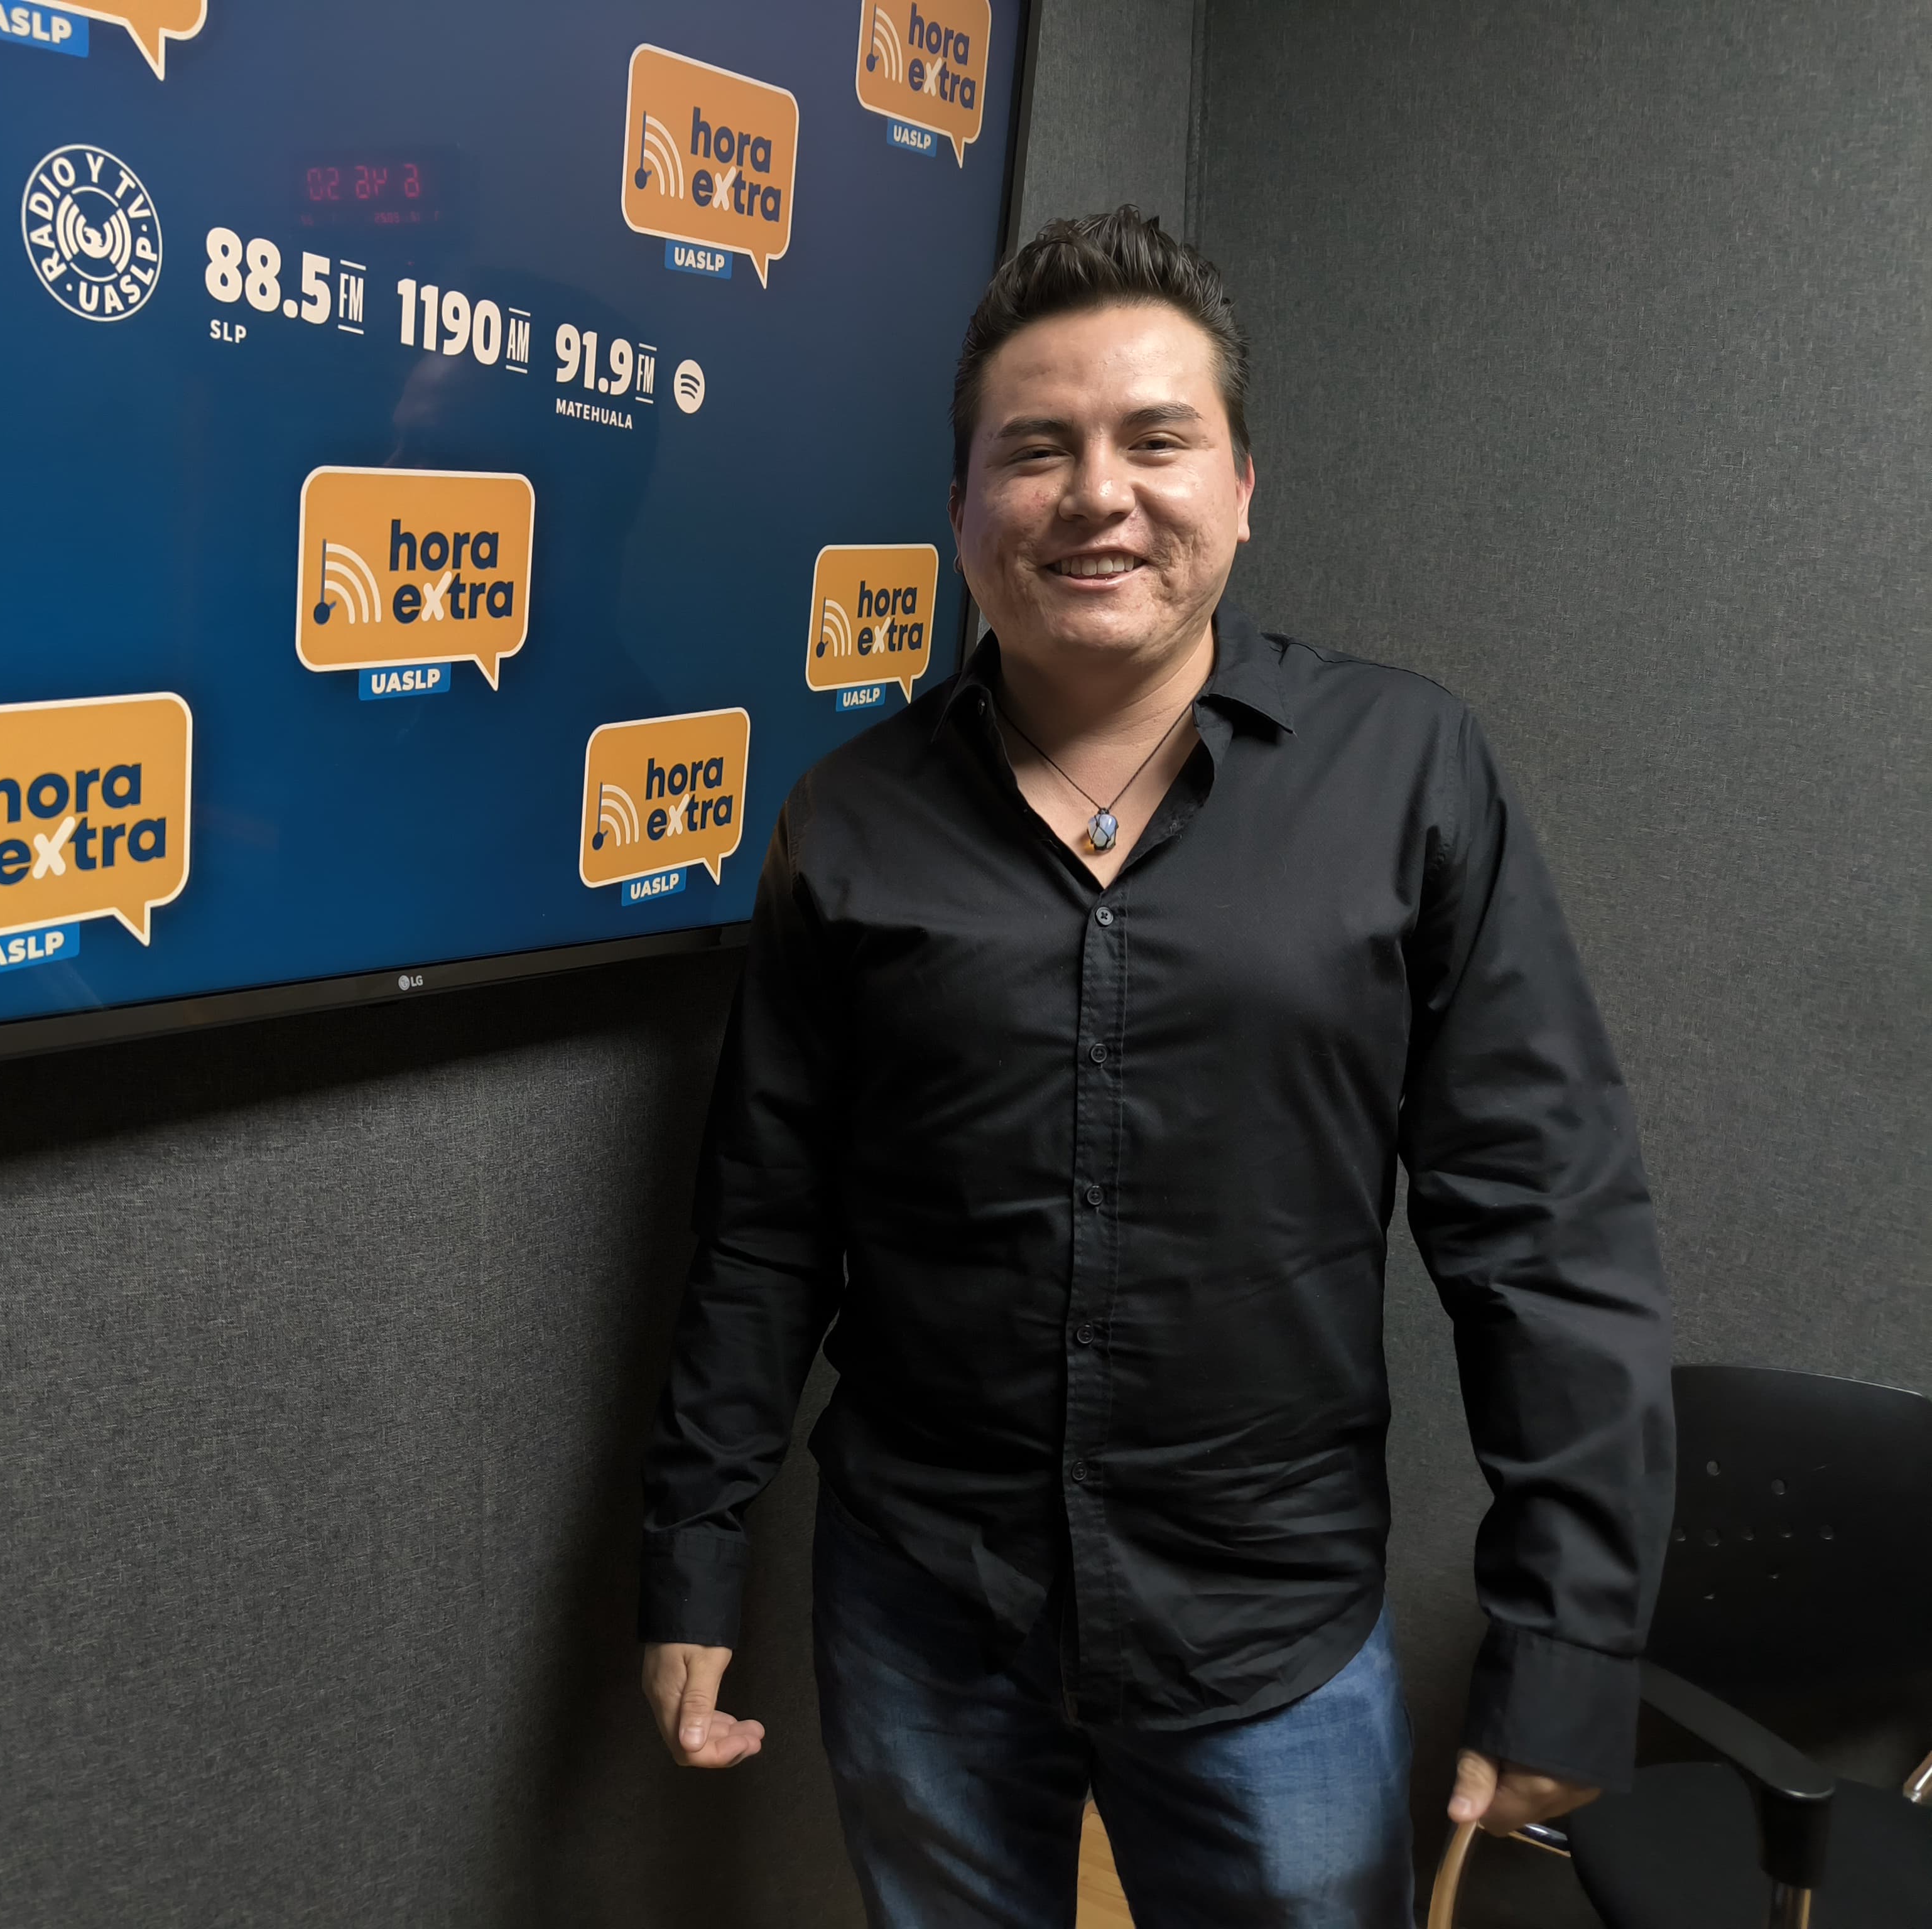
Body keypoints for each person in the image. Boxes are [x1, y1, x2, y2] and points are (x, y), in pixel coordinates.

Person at [634, 208, 1674, 1928]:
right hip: (923, 1604)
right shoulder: (849, 819)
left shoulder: (1408, 772)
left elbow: (1545, 1226)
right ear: (963, 506)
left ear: (1243, 488)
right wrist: (694, 1548)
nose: (1096, 494)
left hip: (1268, 1625)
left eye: (1156, 440)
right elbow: (762, 1227)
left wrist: (1571, 1638)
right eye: (1035, 450)